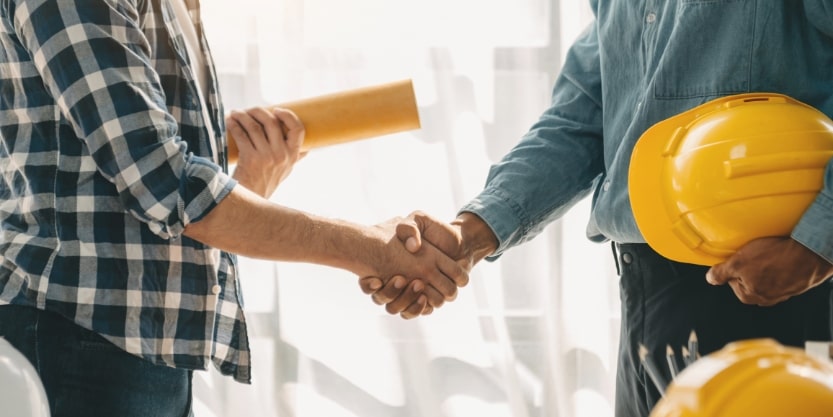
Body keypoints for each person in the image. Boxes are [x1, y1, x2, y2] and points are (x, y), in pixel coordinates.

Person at [362, 2, 833, 417]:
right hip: (647, 297)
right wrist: (469, 235)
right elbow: (583, 115)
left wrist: (816, 247)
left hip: (769, 291)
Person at [0, 1, 465, 416]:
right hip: (75, 340)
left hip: (144, 352)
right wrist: (370, 248)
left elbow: (165, 210)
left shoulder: (178, 10)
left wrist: (250, 183)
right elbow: (165, 182)